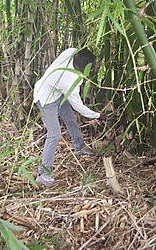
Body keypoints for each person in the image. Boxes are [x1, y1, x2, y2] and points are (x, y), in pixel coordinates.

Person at [34, 47, 105, 187]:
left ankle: (79, 147)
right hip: (45, 98)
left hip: (57, 93)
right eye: (89, 69)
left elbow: (80, 50)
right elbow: (78, 106)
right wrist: (97, 115)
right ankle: (42, 174)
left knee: (71, 119)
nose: (91, 71)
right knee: (54, 134)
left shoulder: (71, 52)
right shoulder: (69, 80)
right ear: (81, 67)